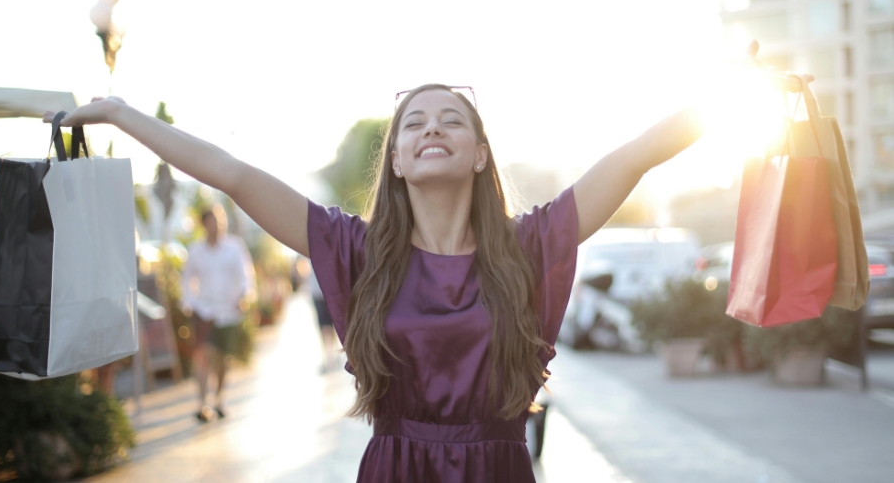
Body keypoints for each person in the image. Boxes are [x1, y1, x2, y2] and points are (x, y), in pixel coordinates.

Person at [45, 44, 810, 482]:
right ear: (400, 160)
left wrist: (742, 92)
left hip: (501, 471)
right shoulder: (353, 251)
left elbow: (635, 156)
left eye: (453, 121)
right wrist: (120, 115)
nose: (432, 128)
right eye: (416, 123)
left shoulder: (532, 244)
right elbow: (235, 174)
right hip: (394, 470)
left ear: (481, 156)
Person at [181, 204, 256, 422]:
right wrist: (191, 304)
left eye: (220, 221)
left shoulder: (234, 247)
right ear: (204, 224)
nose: (217, 225)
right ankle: (202, 404)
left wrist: (243, 296)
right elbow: (187, 281)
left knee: (223, 360)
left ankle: (219, 400)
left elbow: (245, 277)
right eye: (212, 221)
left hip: (228, 313)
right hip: (204, 313)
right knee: (204, 356)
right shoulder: (195, 250)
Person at [308, 263, 341, 373]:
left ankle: (330, 357)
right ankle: (332, 356)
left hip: (321, 290)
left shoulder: (311, 246)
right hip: (329, 288)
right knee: (331, 325)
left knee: (325, 326)